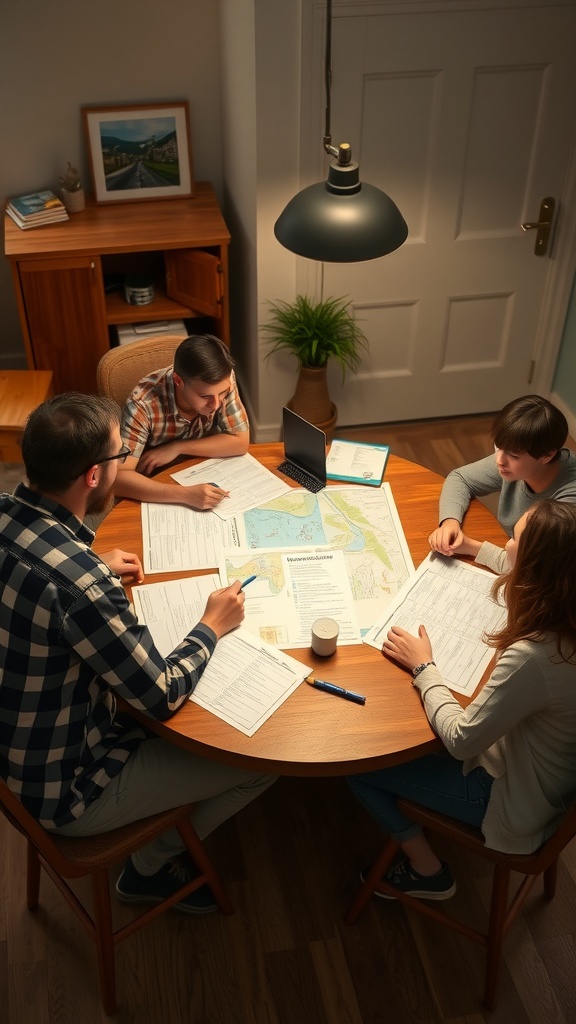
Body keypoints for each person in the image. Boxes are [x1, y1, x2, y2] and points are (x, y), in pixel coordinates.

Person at [0, 393, 275, 914]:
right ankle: (148, 869)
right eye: (118, 455)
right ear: (92, 477)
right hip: (69, 789)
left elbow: (37, 572)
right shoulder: (78, 585)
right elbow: (162, 693)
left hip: (16, 751)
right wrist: (210, 627)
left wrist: (90, 561)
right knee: (261, 762)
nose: (124, 461)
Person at [347, 499, 576, 900]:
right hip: (548, 780)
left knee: (356, 765)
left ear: (537, 567)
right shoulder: (566, 603)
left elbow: (462, 741)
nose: (505, 544)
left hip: (511, 800)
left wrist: (424, 668)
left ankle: (427, 870)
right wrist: (472, 546)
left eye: (514, 538)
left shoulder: (536, 657)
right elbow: (531, 568)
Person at [429, 394, 576, 557]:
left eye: (513, 455)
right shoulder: (519, 463)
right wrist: (450, 521)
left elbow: (529, 568)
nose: (499, 460)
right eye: (498, 447)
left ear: (547, 455)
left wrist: (470, 547)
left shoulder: (568, 505)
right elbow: (460, 478)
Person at [115, 333, 250, 511]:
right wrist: (185, 495)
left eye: (223, 394)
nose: (216, 404)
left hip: (198, 468)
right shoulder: (143, 404)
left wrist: (177, 447)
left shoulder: (221, 380)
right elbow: (118, 479)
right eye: (205, 396)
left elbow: (240, 442)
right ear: (178, 381)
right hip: (155, 481)